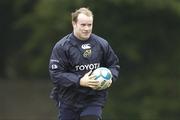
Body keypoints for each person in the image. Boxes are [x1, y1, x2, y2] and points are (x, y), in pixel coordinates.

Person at [49, 7, 120, 120]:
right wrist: (80, 81)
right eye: (83, 25)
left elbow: (113, 65)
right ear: (74, 24)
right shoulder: (62, 47)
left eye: (89, 25)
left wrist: (111, 76)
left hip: (93, 98)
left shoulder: (102, 44)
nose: (87, 28)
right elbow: (56, 74)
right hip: (69, 99)